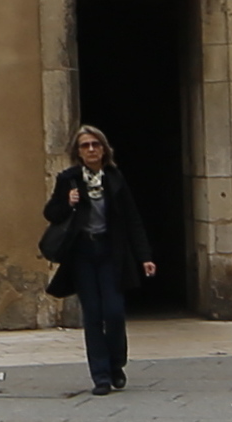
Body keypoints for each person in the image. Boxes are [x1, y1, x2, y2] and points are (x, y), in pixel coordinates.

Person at [43, 123, 155, 394]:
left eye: (96, 144)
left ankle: (117, 364)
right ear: (78, 152)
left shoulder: (115, 178)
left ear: (104, 149)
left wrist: (145, 257)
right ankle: (101, 376)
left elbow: (132, 220)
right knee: (93, 315)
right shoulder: (68, 179)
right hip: (82, 254)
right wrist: (67, 202)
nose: (91, 149)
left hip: (110, 253)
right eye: (85, 146)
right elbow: (51, 214)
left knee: (114, 312)